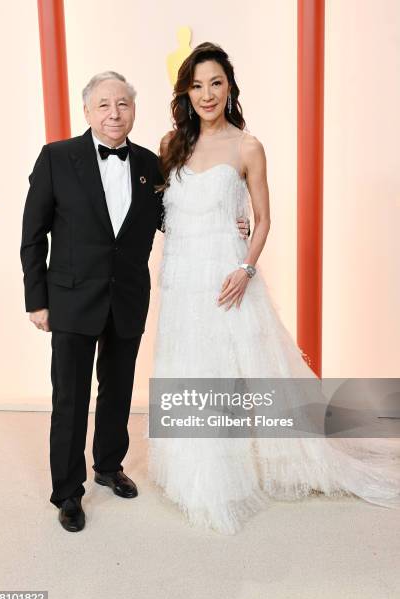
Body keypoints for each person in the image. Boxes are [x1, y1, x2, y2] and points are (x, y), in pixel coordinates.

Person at [147, 43, 400, 535]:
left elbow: (264, 220)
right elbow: (167, 212)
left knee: (229, 369)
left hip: (227, 276)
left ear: (230, 87)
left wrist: (246, 267)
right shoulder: (169, 144)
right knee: (188, 364)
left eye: (215, 82)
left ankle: (231, 472)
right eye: (197, 85)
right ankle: (192, 471)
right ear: (185, 92)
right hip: (181, 277)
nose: (206, 94)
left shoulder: (248, 146)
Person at [20, 70, 248, 532]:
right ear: (86, 111)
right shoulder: (56, 158)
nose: (114, 113)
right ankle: (67, 491)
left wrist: (230, 223)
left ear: (134, 110)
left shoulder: (150, 163)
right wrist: (36, 301)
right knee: (70, 399)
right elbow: (32, 236)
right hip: (71, 300)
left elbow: (178, 218)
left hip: (126, 298)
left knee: (118, 390)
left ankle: (108, 465)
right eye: (104, 105)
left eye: (123, 104)